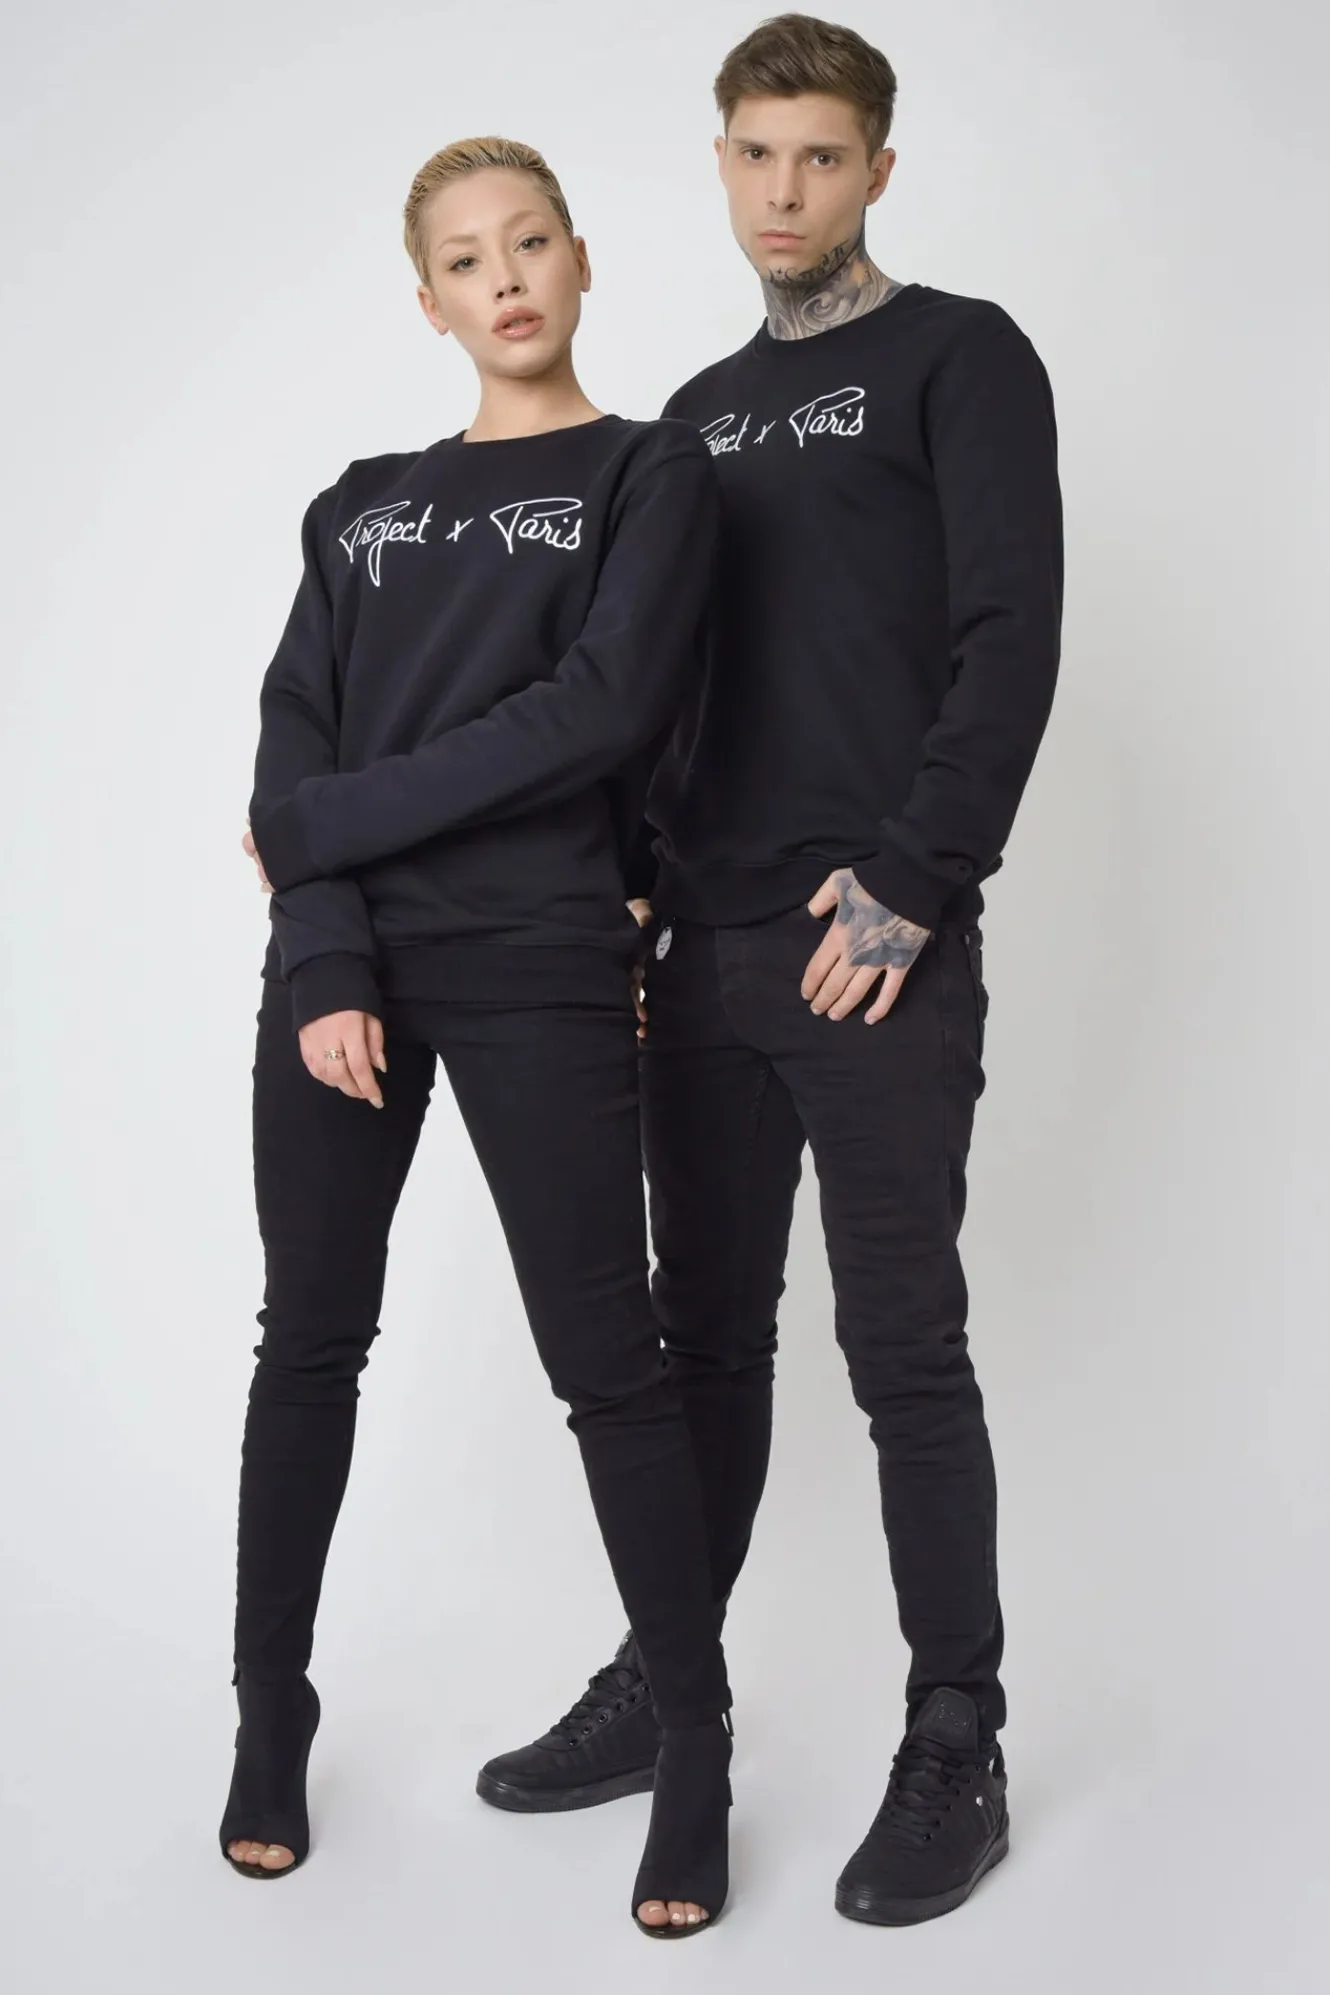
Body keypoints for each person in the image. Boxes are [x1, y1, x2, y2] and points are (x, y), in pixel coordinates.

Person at [479, 14, 1064, 1929]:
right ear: (718, 165)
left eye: (820, 155)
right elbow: (657, 690)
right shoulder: (695, 415)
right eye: (754, 154)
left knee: (902, 1352)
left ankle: (956, 1740)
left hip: (873, 944)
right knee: (699, 1345)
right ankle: (669, 1678)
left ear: (876, 167)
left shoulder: (961, 356)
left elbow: (1007, 637)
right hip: (705, 951)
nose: (784, 190)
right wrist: (634, 899)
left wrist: (909, 884)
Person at [220, 135, 734, 1938]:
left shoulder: (649, 472)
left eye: (529, 243)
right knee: (309, 1342)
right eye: (464, 257)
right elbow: (295, 734)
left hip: (540, 958)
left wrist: (322, 828)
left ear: (581, 261)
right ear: (427, 299)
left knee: (609, 1360)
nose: (503, 277)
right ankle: (268, 1712)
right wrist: (321, 956)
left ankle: (694, 1744)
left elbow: (597, 712)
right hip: (352, 968)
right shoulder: (358, 505)